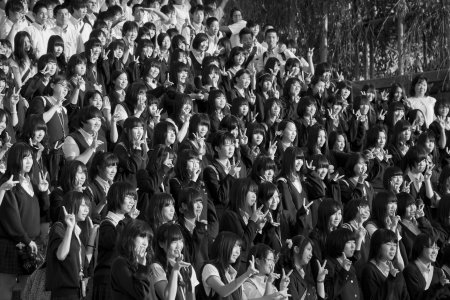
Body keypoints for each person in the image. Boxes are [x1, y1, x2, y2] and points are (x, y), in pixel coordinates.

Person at [46, 191, 98, 300]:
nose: (86, 210)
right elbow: (61, 255)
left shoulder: (79, 231)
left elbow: (85, 263)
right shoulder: (59, 228)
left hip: (77, 290)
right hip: (64, 292)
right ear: (72, 205)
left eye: (88, 206)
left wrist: (92, 235)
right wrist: (70, 228)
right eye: (83, 205)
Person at [92, 181, 137, 300]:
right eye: (128, 197)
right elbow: (114, 242)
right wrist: (127, 221)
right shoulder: (107, 224)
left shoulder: (126, 222)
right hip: (107, 281)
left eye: (133, 198)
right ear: (117, 197)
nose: (132, 201)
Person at [199, 231, 258, 299]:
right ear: (223, 245)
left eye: (240, 248)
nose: (238, 252)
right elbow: (223, 291)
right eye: (235, 246)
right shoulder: (209, 267)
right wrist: (247, 274)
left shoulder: (233, 275)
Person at [151, 223, 199, 300]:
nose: (178, 246)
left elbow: (191, 296)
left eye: (180, 241)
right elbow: (168, 298)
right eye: (174, 242)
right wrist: (175, 270)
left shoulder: (188, 268)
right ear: (161, 243)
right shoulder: (156, 267)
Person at [110, 219, 155, 300]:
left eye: (148, 239)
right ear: (130, 237)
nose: (145, 243)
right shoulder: (120, 263)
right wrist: (142, 267)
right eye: (142, 236)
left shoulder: (142, 264)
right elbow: (141, 294)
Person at [360, 229, 409, 300]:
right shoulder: (369, 270)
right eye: (388, 244)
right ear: (377, 246)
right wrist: (391, 279)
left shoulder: (395, 267)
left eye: (395, 245)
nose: (393, 248)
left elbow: (405, 296)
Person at [403, 234, 450, 300]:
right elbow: (417, 297)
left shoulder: (438, 272)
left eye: (436, 248)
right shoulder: (410, 270)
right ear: (421, 247)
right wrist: (439, 285)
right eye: (432, 247)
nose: (435, 251)